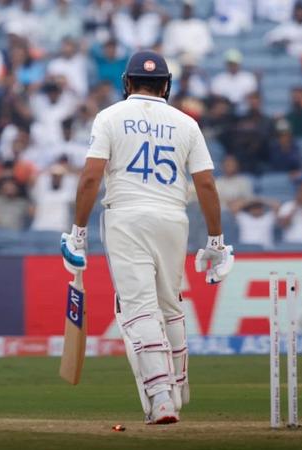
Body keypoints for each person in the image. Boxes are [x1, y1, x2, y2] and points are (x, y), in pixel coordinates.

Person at [62, 51, 235, 425]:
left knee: (138, 308)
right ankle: (180, 386)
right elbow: (204, 183)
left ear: (127, 83)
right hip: (173, 219)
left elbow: (91, 177)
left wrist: (77, 232)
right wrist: (217, 242)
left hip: (126, 217)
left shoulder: (109, 116)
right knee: (170, 305)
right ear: (167, 86)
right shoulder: (186, 123)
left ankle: (161, 399)